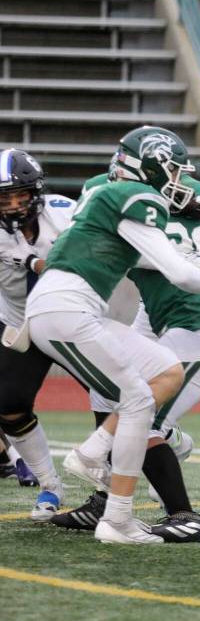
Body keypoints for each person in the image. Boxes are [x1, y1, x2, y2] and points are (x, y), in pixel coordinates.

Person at [24, 126, 200, 544]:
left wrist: (195, 258)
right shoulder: (135, 197)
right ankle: (116, 519)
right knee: (138, 399)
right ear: (151, 164)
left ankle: (93, 451)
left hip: (65, 308)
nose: (177, 179)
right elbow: (177, 273)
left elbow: (155, 258)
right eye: (172, 168)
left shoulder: (109, 196)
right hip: (65, 310)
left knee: (167, 371)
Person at [53, 176, 200, 539]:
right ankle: (106, 496)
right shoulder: (184, 215)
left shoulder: (146, 222)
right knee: (107, 388)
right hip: (161, 309)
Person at [0, 148, 81, 520]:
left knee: (113, 399)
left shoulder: (64, 212)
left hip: (71, 318)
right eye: (6, 198)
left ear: (37, 193)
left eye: (22, 195)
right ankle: (50, 486)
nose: (15, 205)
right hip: (21, 323)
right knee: (10, 405)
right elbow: (34, 261)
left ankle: (159, 467)